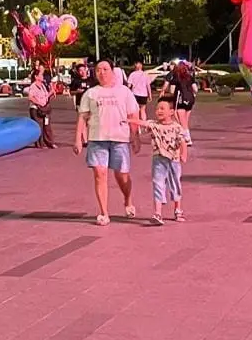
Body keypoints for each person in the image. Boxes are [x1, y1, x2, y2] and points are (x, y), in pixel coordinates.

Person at [74, 57, 141, 225]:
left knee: (122, 175)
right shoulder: (91, 93)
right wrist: (78, 139)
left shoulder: (124, 92)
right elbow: (82, 117)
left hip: (120, 139)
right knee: (100, 174)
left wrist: (135, 137)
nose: (102, 73)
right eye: (98, 70)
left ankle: (128, 200)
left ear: (113, 71)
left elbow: (133, 115)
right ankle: (104, 212)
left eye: (105, 69)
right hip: (97, 139)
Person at [138, 96, 187, 224]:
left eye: (162, 108)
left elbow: (182, 141)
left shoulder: (176, 127)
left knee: (175, 184)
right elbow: (141, 123)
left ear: (171, 112)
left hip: (173, 160)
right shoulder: (154, 125)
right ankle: (158, 213)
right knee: (157, 183)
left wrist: (184, 154)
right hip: (158, 159)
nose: (158, 111)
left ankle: (178, 210)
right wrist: (126, 119)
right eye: (157, 109)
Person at [166, 60, 197, 145]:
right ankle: (184, 136)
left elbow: (172, 91)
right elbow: (195, 89)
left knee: (181, 120)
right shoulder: (190, 77)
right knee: (185, 120)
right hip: (190, 100)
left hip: (180, 99)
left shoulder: (176, 78)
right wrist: (192, 94)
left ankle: (187, 138)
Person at [26, 67, 55, 148]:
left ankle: (48, 142)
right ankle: (40, 144)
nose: (42, 76)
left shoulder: (42, 85)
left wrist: (51, 93)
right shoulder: (33, 86)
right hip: (36, 109)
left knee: (46, 126)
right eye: (41, 75)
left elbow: (45, 96)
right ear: (36, 77)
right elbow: (30, 97)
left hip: (44, 109)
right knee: (39, 127)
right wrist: (39, 103)